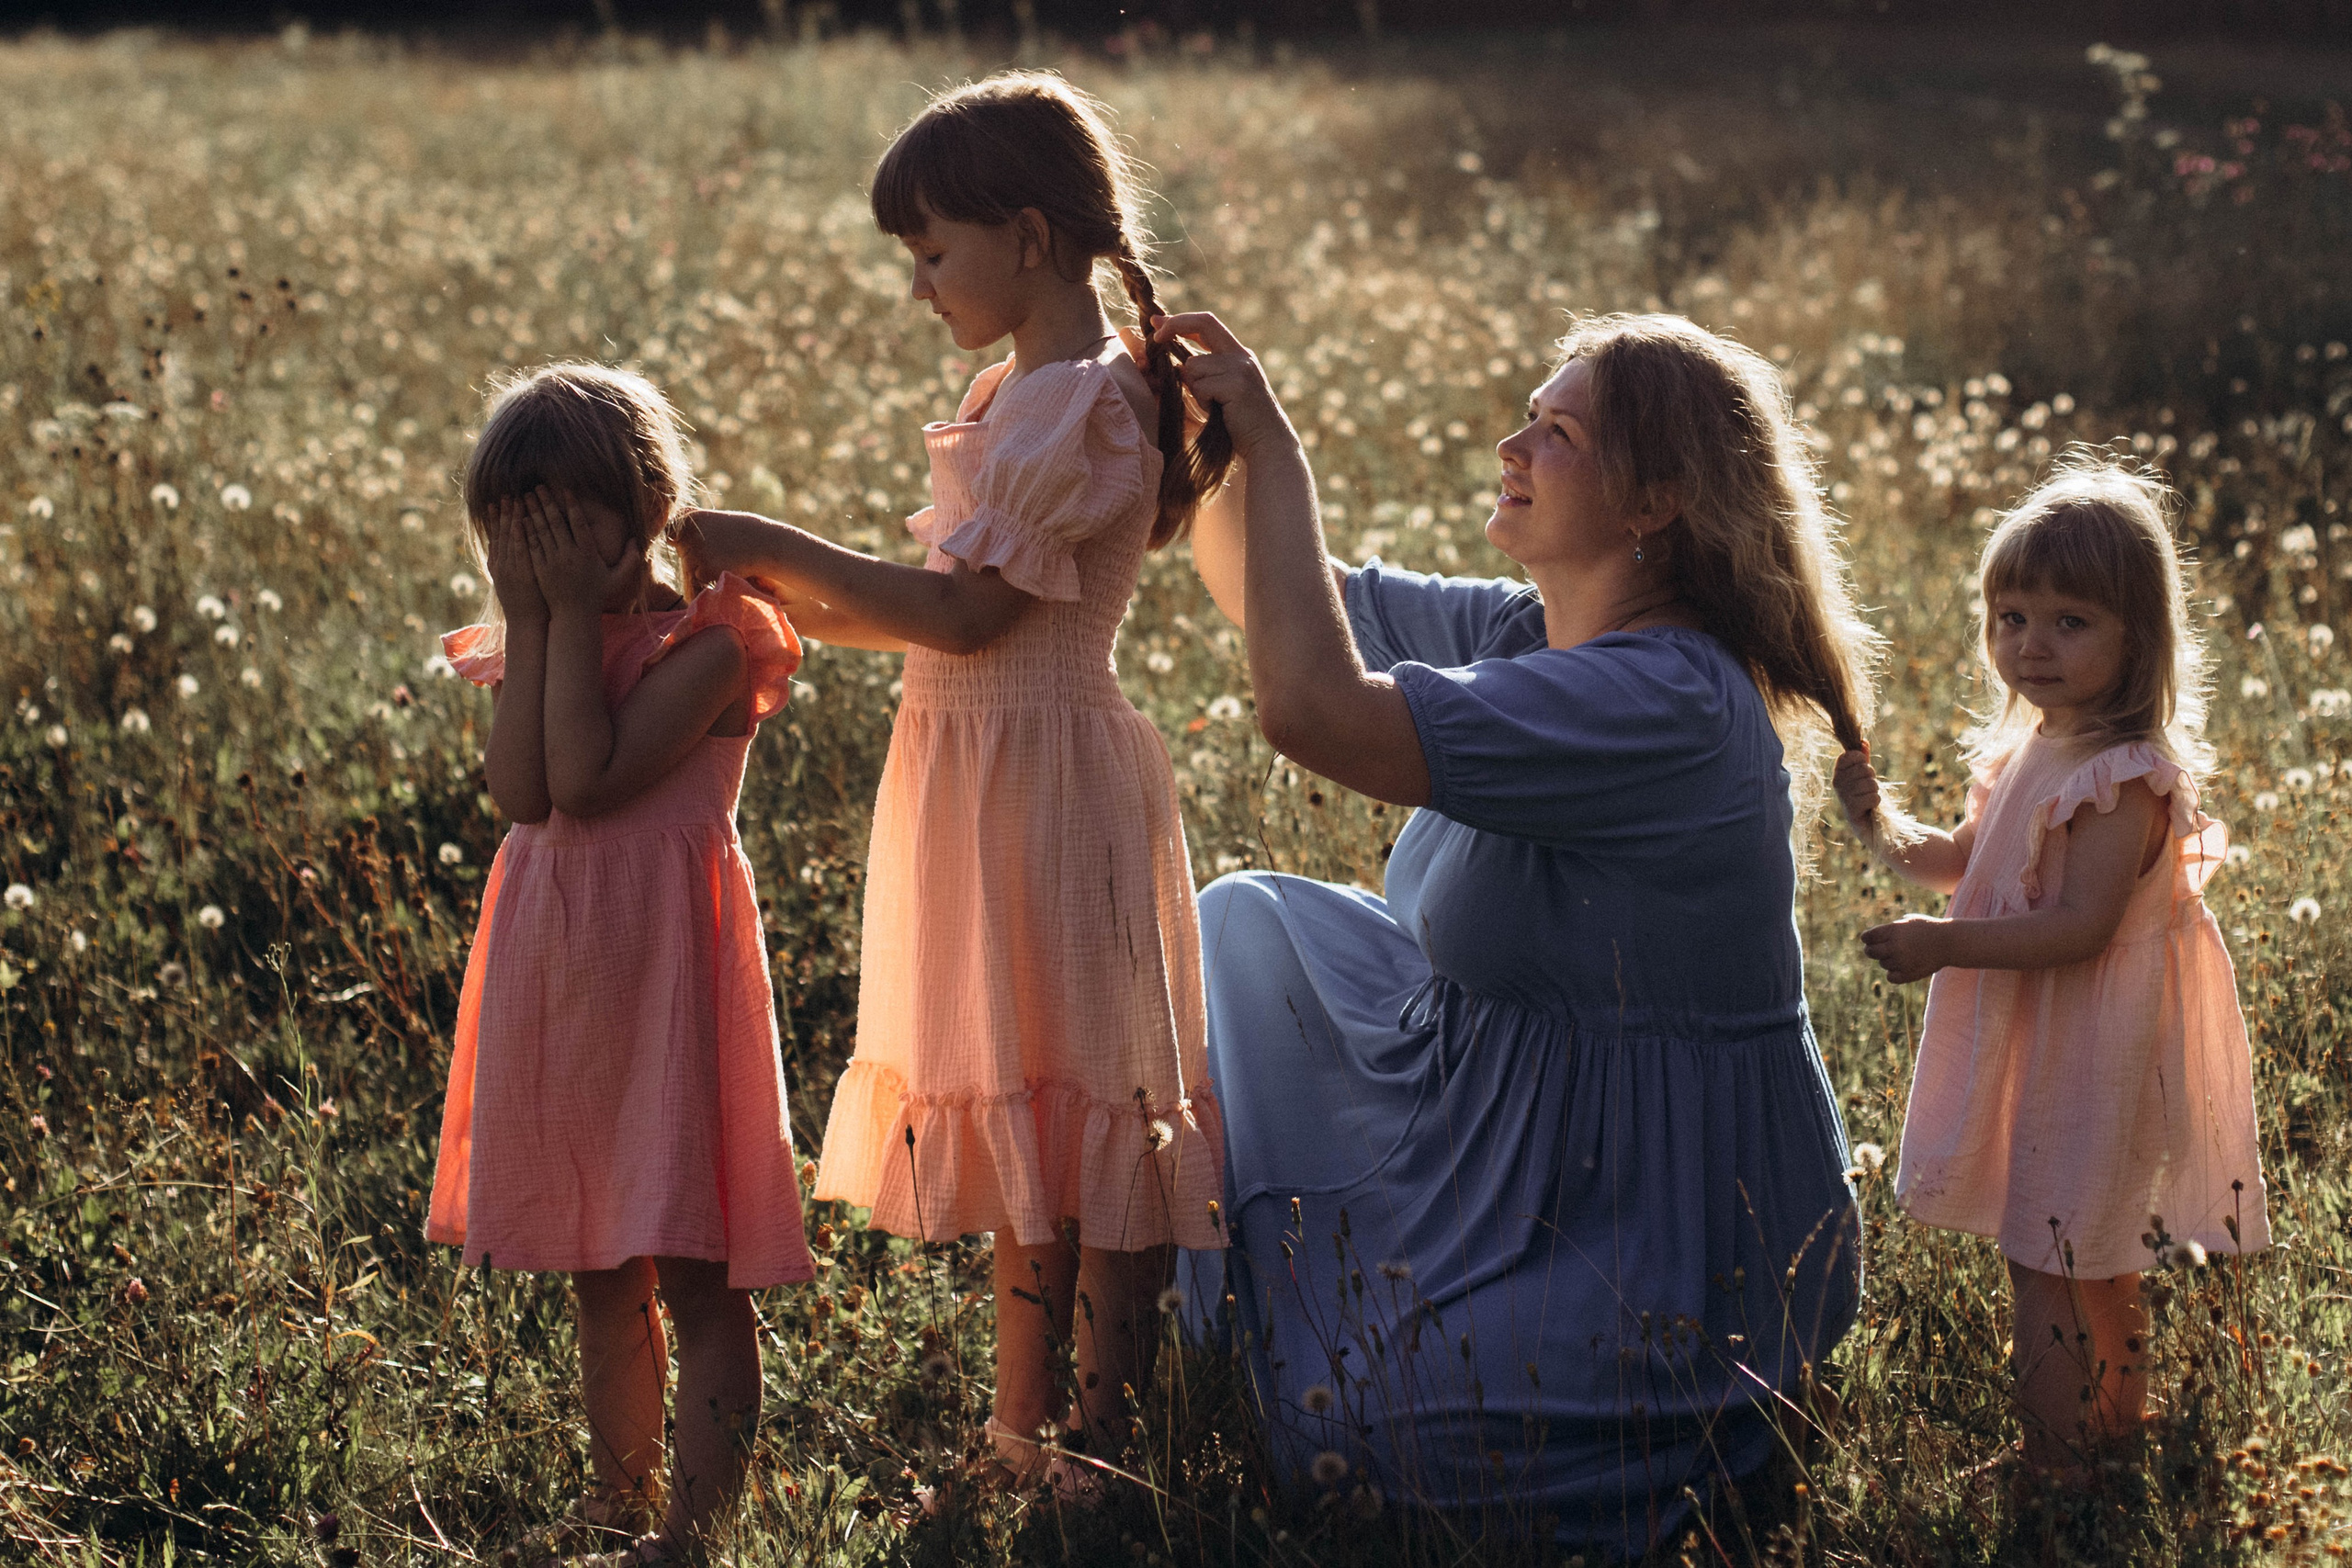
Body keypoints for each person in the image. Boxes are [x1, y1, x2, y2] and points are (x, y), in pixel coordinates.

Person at [1157, 309, 1866, 1554]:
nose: (1511, 443)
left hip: (1643, 1209)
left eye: (1558, 431)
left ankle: (1688, 1413)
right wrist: (1205, 438)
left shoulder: (1662, 700)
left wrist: (1281, 444)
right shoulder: (1537, 629)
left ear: (1654, 501)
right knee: (1250, 922)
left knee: (1359, 1443)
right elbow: (1270, 591)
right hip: (1486, 1094)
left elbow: (1310, 707)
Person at [675, 72, 1231, 1495]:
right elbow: (925, 605)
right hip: (975, 776)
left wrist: (775, 535)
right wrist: (766, 599)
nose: (919, 285)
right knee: (1019, 1102)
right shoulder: (1006, 395)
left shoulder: (1092, 408)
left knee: (1093, 1098)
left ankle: (1100, 1443)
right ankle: (1017, 1429)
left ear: (1029, 236)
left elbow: (972, 619)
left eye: (933, 252)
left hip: (1053, 776)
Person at [426, 364, 814, 1566]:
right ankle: (618, 1498)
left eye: (560, 517)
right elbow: (524, 790)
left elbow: (591, 777)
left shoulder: (713, 639)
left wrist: (549, 620)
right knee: (600, 1263)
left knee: (698, 1270)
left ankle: (692, 1535)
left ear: (644, 504)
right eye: (512, 526)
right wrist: (541, 621)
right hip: (566, 979)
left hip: (669, 979)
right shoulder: (539, 638)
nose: (534, 548)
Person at [1837, 457, 2269, 1475]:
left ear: (2138, 640)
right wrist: (1879, 825)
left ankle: (2063, 1461)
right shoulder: (2033, 747)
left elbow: (2077, 928)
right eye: (2011, 615)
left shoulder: (2119, 780)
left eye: (2069, 622)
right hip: (2052, 1034)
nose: (2030, 644)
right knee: (2070, 1245)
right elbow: (1964, 865)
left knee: (2057, 1253)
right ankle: (2101, 1438)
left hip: (2098, 1039)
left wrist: (1944, 949)